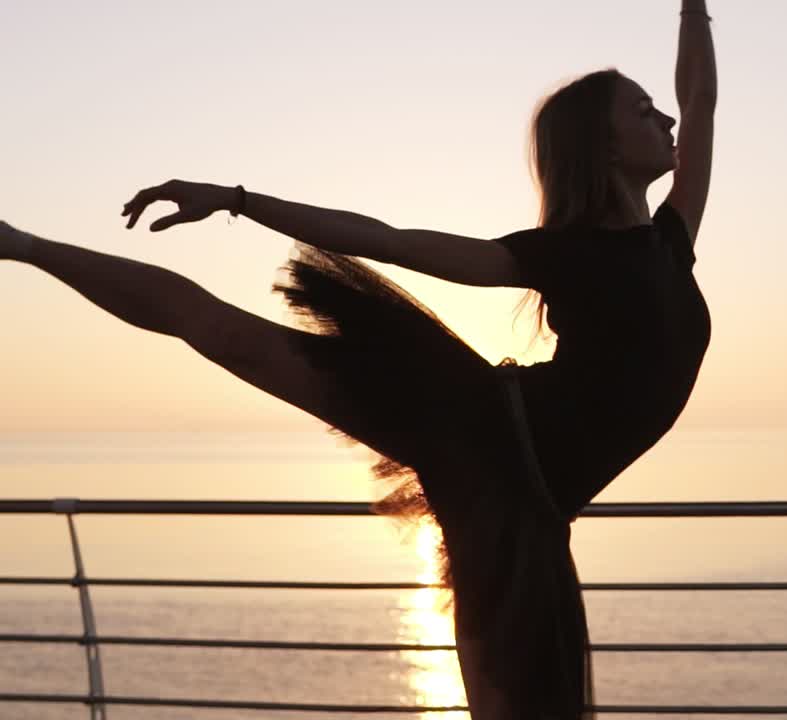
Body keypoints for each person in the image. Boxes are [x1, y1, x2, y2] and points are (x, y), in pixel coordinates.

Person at [0, 4, 716, 717]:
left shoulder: (670, 239)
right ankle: (21, 244)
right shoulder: (562, 257)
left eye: (659, 109)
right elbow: (388, 239)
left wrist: (692, 5)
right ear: (604, 146)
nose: (669, 122)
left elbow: (701, 99)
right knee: (223, 332)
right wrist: (237, 200)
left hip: (539, 501)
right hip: (483, 434)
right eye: (645, 112)